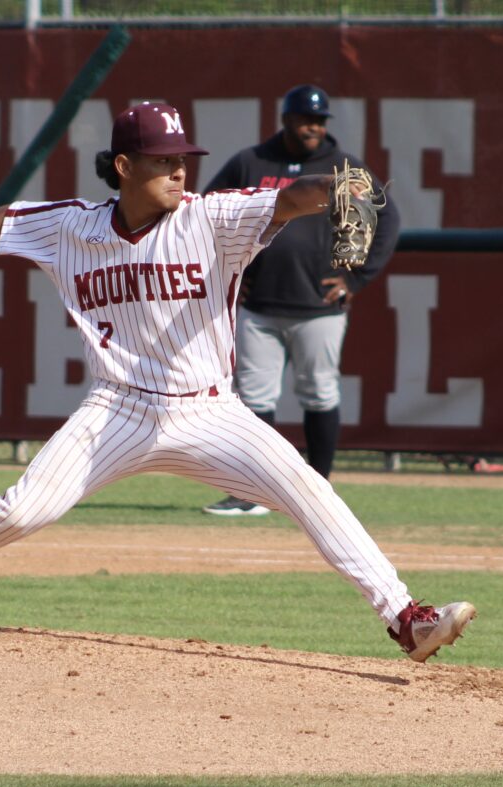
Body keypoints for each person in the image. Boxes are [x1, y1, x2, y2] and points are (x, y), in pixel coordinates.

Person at [0, 101, 474, 663]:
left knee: (308, 486)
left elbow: (289, 199)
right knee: (20, 510)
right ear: (124, 167)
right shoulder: (72, 226)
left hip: (211, 414)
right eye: (162, 160)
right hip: (116, 412)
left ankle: (405, 618)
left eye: (182, 157)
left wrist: (333, 190)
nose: (178, 169)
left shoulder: (209, 218)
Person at [200, 84, 400, 517]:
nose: (314, 126)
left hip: (319, 305)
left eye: (320, 119)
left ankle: (319, 490)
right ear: (286, 119)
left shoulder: (346, 168)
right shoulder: (252, 162)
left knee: (319, 392)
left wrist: (357, 277)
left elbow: (388, 218)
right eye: (306, 118)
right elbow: (205, 214)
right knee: (252, 399)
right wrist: (226, 273)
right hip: (260, 304)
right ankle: (253, 492)